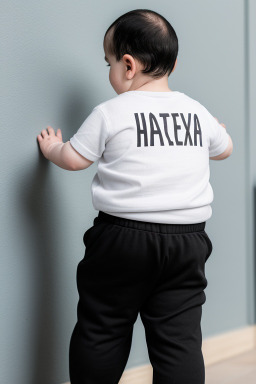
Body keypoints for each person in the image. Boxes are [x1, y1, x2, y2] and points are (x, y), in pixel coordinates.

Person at [37, 8, 233, 384]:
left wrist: (52, 149)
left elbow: (76, 160)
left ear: (128, 66)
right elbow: (224, 148)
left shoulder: (111, 112)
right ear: (173, 65)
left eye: (108, 62)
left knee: (103, 326)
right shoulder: (195, 112)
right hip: (187, 241)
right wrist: (217, 131)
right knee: (180, 339)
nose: (109, 70)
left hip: (122, 238)